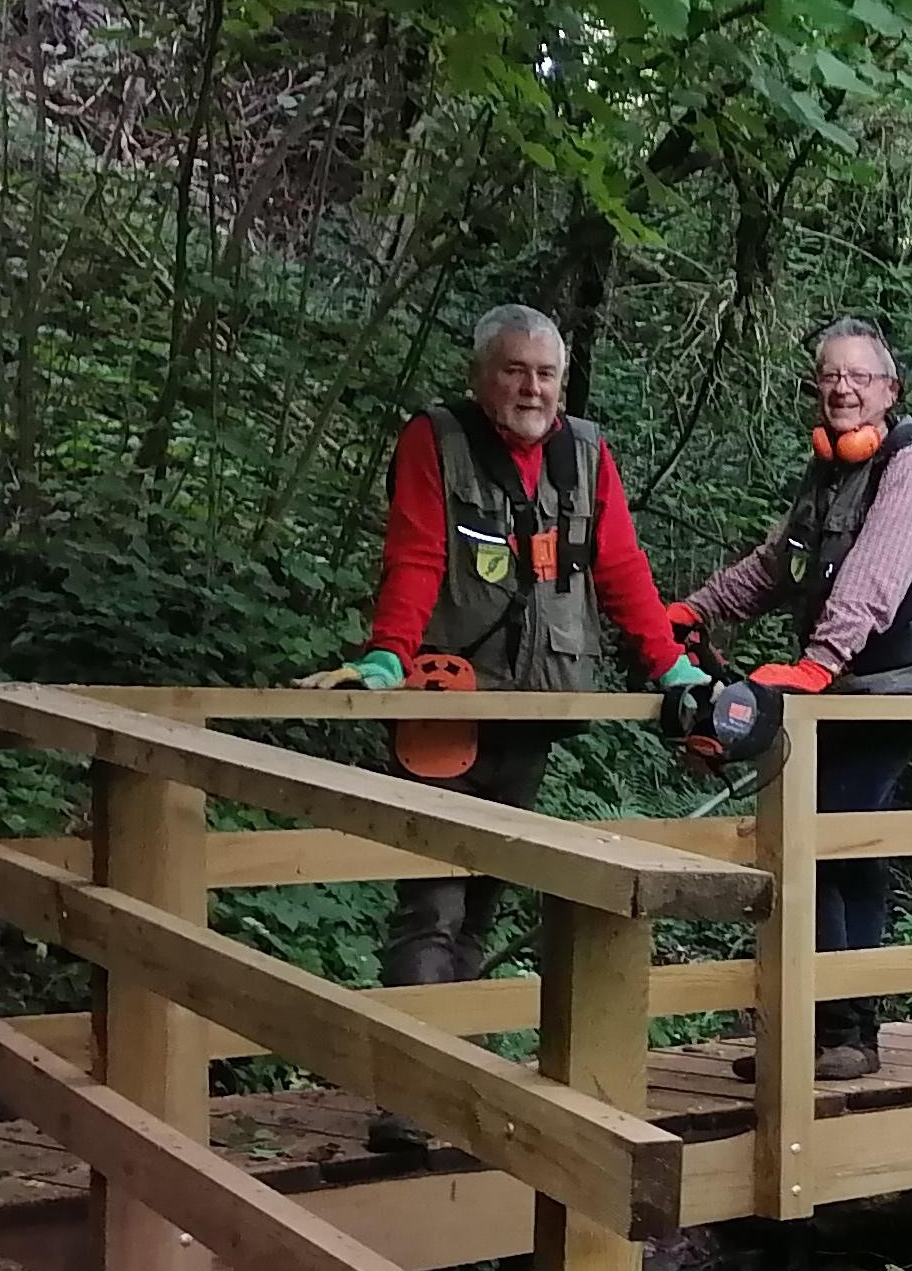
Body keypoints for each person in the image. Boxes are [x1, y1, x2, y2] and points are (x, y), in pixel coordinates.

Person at [298, 304, 708, 1147]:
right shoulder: (436, 442)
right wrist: (386, 657)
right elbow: (414, 553)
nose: (531, 388)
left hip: (535, 708)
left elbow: (622, 564)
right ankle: (410, 1094)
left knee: (485, 899)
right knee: (433, 905)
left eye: (546, 374)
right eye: (514, 370)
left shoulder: (587, 455)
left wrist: (671, 667)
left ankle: (459, 1080)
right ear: (482, 374)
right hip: (446, 704)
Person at [673, 314, 912, 1082]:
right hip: (841, 688)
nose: (841, 388)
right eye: (830, 375)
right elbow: (781, 563)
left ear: (890, 391)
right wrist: (698, 610)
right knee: (840, 847)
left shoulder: (909, 466)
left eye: (858, 378)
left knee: (826, 840)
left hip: (897, 688)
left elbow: (875, 571)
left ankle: (844, 1035)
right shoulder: (830, 470)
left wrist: (817, 660)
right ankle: (817, 1032)